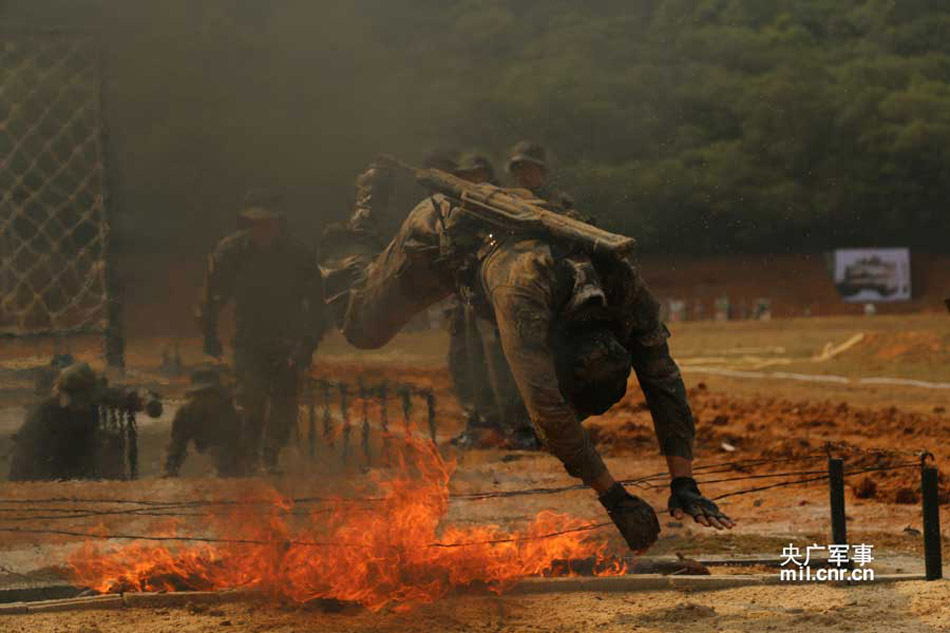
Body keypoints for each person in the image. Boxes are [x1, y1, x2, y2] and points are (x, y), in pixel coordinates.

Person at [324, 165, 734, 552]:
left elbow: (662, 379)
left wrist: (685, 481)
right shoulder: (524, 294)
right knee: (362, 328)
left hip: (511, 234)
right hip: (436, 240)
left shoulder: (622, 286)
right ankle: (363, 218)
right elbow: (547, 413)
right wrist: (614, 497)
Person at [197, 191, 327, 474]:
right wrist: (209, 332)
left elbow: (317, 302)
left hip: (288, 338)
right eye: (256, 223)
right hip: (248, 338)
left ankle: (270, 455)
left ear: (278, 223)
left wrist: (307, 342)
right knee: (251, 401)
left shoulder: (297, 253)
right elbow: (211, 294)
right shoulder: (230, 251)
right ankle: (249, 457)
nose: (262, 229)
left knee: (285, 405)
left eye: (268, 223)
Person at [447, 152, 537, 450]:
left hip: (495, 292)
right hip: (466, 293)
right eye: (467, 174)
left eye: (476, 173)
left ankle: (517, 425)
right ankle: (481, 423)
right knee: (465, 359)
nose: (472, 178)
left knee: (499, 359)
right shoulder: (457, 205)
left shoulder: (503, 202)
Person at [9, 362, 102, 481]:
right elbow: (44, 456)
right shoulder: (48, 413)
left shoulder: (87, 411)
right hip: (37, 476)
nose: (85, 403)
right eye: (82, 398)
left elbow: (84, 451)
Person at [163, 365, 243, 477]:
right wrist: (171, 468)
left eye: (209, 394)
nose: (206, 400)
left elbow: (238, 446)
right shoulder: (186, 412)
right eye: (201, 395)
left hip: (229, 459)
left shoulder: (231, 412)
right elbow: (177, 444)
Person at [506, 140, 578, 215]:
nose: (524, 174)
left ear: (542, 172)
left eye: (530, 169)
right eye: (519, 168)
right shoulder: (507, 198)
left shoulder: (561, 201)